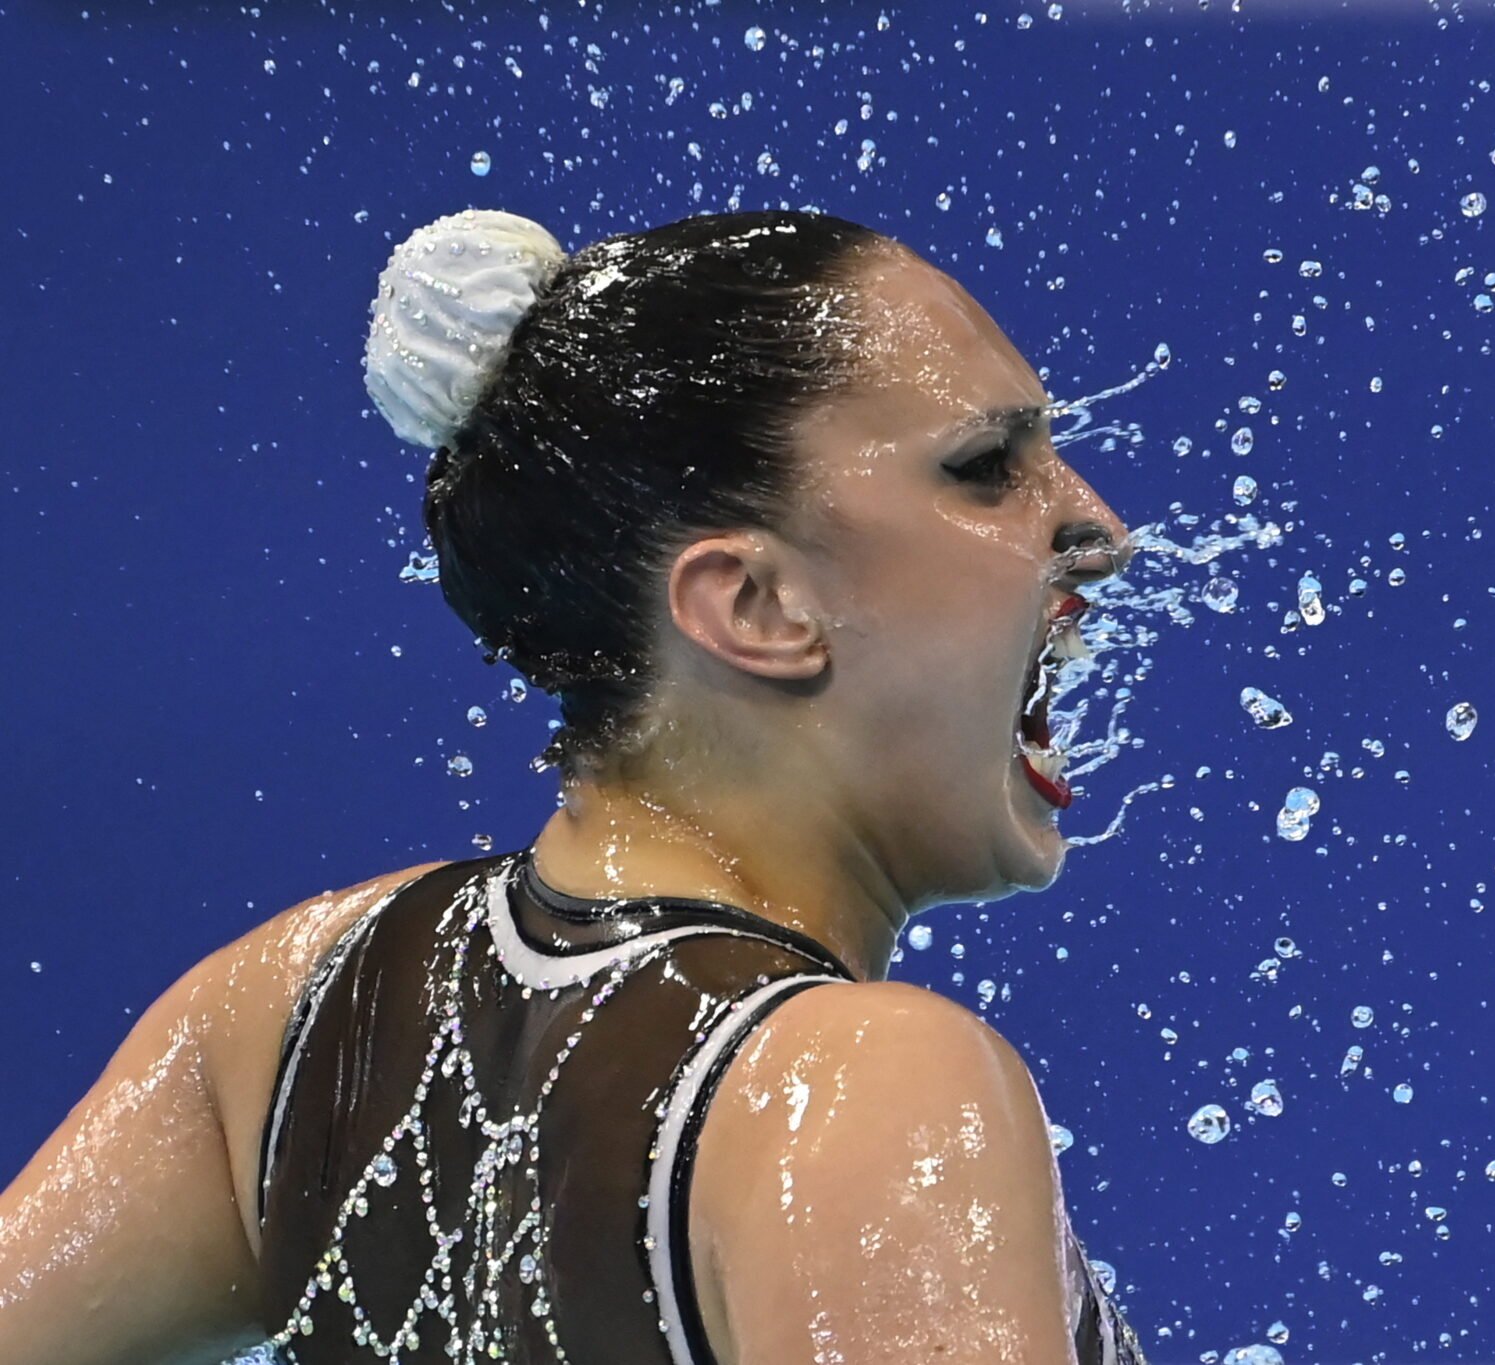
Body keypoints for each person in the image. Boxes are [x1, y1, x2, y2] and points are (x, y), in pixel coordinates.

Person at [0, 207, 1149, 1365]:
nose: (1099, 529)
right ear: (753, 607)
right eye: (987, 468)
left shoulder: (292, 1011)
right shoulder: (864, 1090)